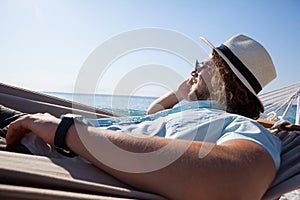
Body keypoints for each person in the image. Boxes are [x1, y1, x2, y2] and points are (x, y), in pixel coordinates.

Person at [3, 34, 281, 199]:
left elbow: (237, 181)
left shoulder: (241, 127)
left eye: (204, 65)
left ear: (224, 77)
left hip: (53, 154)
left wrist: (65, 131)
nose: (194, 70)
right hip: (46, 137)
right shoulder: (193, 115)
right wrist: (183, 91)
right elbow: (154, 114)